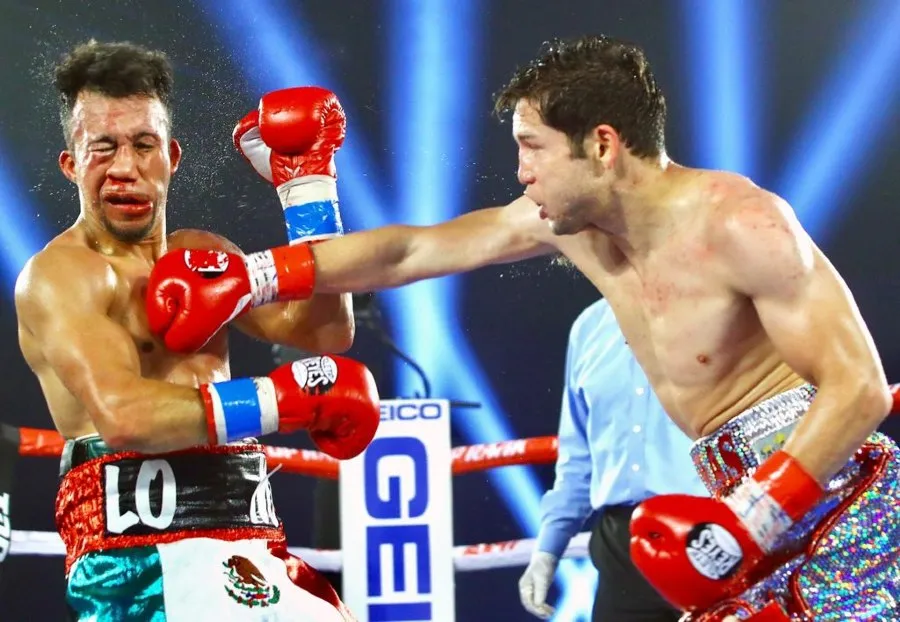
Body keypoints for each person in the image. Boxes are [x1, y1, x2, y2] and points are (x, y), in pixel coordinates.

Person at [148, 34, 900, 620]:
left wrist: (755, 519)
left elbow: (861, 389)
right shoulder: (572, 226)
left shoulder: (742, 223)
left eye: (533, 147)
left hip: (837, 503)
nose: (521, 173)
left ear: (601, 145)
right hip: (737, 506)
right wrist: (258, 275)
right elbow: (412, 250)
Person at [14, 40, 380, 621]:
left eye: (143, 145)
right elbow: (125, 418)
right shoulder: (61, 276)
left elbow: (327, 332)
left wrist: (306, 187)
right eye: (102, 148)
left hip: (252, 539)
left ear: (172, 156)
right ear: (71, 164)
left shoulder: (205, 254)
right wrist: (280, 400)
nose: (125, 168)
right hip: (142, 559)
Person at [519, 298, 707, 621]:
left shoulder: (719, 307)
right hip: (622, 549)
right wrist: (547, 549)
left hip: (712, 532)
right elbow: (578, 459)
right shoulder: (589, 327)